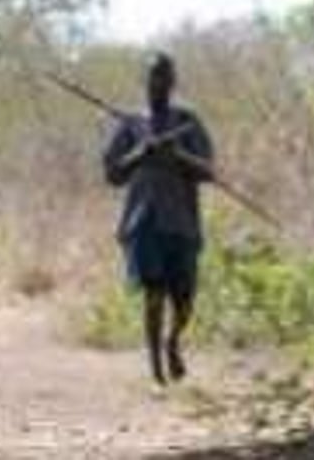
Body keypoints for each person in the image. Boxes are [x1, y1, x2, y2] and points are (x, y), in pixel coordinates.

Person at [103, 52, 214, 384]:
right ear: (145, 81)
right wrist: (141, 154)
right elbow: (112, 174)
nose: (159, 83)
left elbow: (208, 170)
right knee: (153, 294)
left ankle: (172, 342)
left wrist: (177, 155)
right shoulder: (131, 124)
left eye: (165, 77)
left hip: (181, 222)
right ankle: (155, 370)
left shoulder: (188, 122)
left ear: (173, 81)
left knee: (184, 299)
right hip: (143, 221)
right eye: (154, 77)